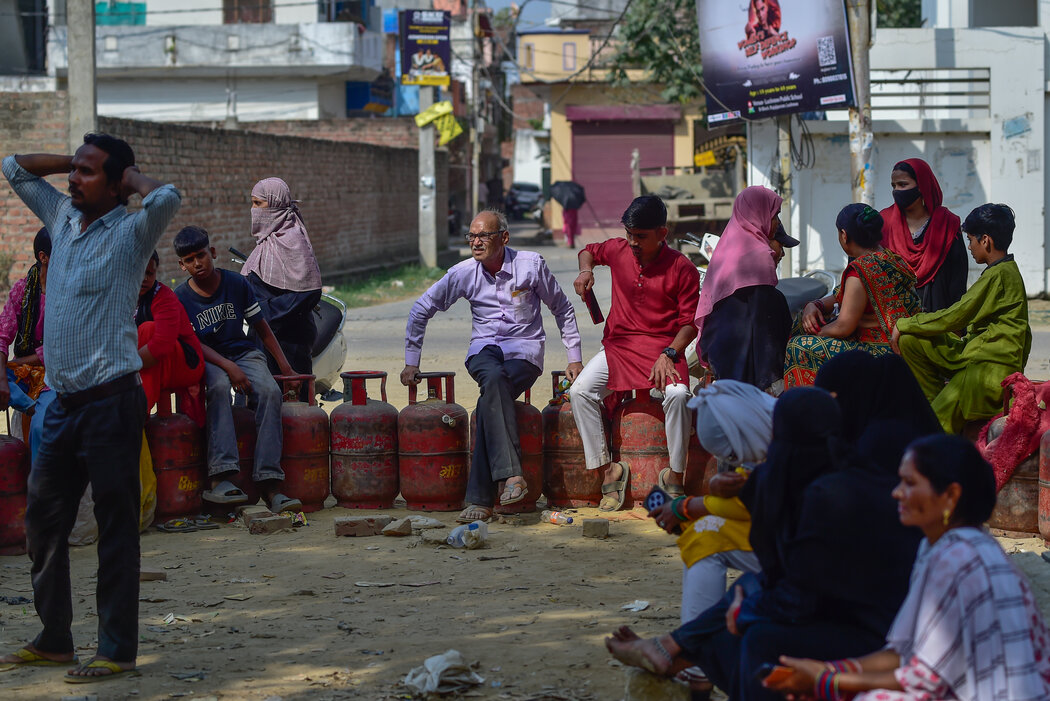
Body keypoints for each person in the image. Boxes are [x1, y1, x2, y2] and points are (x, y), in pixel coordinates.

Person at [0, 133, 180, 682]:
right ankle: (54, 640)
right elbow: (13, 167)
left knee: (115, 528)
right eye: (73, 170)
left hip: (111, 402)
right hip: (59, 403)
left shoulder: (131, 232)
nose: (73, 179)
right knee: (42, 523)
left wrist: (128, 178)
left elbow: (167, 196)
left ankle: (116, 650)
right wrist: (75, 161)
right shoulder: (61, 217)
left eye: (87, 172)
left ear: (117, 184)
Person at [605, 388, 921, 701]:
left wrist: (746, 610)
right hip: (842, 615)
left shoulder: (830, 495)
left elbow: (799, 593)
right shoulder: (842, 467)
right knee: (738, 607)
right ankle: (681, 653)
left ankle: (676, 650)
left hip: (877, 636)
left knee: (755, 630)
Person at [767, 435, 1050, 701]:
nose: (897, 492)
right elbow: (904, 653)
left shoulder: (957, 557)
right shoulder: (951, 546)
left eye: (909, 483)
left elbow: (925, 678)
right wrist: (829, 671)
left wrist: (827, 681)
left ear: (951, 495)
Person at [402, 209, 583, 523]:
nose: (476, 242)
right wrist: (411, 361)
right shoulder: (463, 272)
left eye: (483, 235)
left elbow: (562, 308)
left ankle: (481, 500)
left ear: (504, 238)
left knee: (490, 399)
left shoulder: (531, 265)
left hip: (524, 353)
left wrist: (574, 356)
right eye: (471, 236)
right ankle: (512, 477)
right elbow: (421, 308)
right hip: (483, 352)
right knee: (494, 381)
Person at [570, 195, 699, 505]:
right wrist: (586, 271)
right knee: (580, 392)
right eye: (629, 234)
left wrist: (669, 354)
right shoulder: (618, 249)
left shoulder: (682, 268)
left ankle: (675, 475)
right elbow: (588, 251)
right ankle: (609, 471)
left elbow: (689, 325)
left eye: (640, 236)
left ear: (662, 233)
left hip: (664, 350)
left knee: (679, 396)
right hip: (621, 347)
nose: (632, 242)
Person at [649, 380, 773, 692]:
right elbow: (750, 492)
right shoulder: (767, 428)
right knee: (703, 530)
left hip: (803, 547)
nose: (737, 460)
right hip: (782, 533)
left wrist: (689, 506)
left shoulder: (790, 439)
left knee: (705, 533)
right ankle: (697, 656)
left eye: (733, 452)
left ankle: (697, 661)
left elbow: (756, 502)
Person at [173, 225, 302, 513]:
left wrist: (286, 367)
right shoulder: (180, 297)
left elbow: (261, 328)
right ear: (182, 265)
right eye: (190, 260)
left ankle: (269, 482)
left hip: (243, 353)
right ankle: (221, 477)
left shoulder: (236, 284)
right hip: (209, 359)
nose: (197, 263)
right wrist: (228, 366)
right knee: (218, 387)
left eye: (201, 255)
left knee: (270, 392)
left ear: (212, 252)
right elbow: (193, 343)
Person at [893, 204, 1031, 434]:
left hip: (987, 369)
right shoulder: (1003, 271)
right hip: (974, 355)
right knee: (911, 341)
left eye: (970, 240)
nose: (969, 247)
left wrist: (903, 323)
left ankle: (938, 424)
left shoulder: (999, 275)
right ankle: (937, 404)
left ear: (985, 241)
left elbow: (955, 316)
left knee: (933, 426)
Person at [784, 204, 921, 387]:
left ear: (844, 235)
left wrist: (816, 334)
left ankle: (812, 399)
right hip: (904, 344)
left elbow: (844, 327)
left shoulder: (860, 271)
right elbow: (839, 296)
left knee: (797, 346)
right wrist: (814, 305)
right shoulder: (890, 258)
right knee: (804, 320)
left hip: (881, 351)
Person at [695, 186, 794, 392]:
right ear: (759, 214)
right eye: (774, 215)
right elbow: (763, 326)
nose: (776, 222)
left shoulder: (726, 247)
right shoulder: (760, 255)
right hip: (744, 357)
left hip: (718, 349)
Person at [241, 177, 322, 385]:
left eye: (258, 203)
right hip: (262, 338)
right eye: (252, 203)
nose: (253, 209)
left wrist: (264, 311)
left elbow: (309, 291)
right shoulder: (266, 240)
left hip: (289, 341)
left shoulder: (294, 240)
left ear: (275, 204)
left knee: (291, 401)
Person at [880, 158, 968, 312]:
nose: (897, 191)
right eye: (894, 186)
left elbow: (957, 281)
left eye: (903, 184)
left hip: (939, 315)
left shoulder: (946, 224)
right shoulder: (884, 222)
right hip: (896, 316)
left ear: (921, 186)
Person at [0, 228, 55, 460]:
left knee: (41, 427)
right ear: (43, 257)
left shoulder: (69, 295)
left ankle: (35, 408)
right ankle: (31, 406)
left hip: (54, 375)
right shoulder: (23, 290)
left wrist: (20, 361)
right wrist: (2, 378)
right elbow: (2, 335)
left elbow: (56, 350)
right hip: (23, 374)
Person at [136, 250, 205, 418]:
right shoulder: (120, 297)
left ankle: (138, 412)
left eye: (149, 273)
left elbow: (160, 346)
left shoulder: (163, 297)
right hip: (144, 361)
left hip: (185, 363)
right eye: (139, 272)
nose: (144, 278)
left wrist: (126, 365)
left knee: (148, 330)